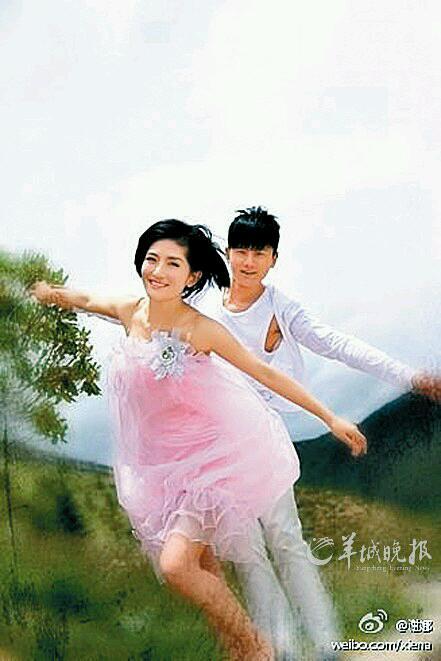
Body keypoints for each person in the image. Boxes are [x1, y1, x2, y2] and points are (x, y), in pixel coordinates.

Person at [30, 219, 367, 661]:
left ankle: (257, 646)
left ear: (192, 277)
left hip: (214, 462)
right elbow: (86, 300)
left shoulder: (199, 329)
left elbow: (264, 373)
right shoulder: (132, 311)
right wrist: (41, 291)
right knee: (204, 569)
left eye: (173, 263)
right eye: (152, 259)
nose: (158, 271)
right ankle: (241, 652)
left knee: (176, 566)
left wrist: (329, 417)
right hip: (162, 468)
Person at [198, 205, 440, 660]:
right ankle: (282, 650)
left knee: (285, 539)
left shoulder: (281, 307)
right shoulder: (208, 311)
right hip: (219, 444)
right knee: (246, 550)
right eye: (241, 251)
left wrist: (408, 376)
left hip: (265, 438)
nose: (248, 261)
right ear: (228, 253)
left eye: (259, 252)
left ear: (273, 259)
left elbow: (337, 344)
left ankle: (326, 645)